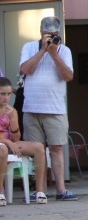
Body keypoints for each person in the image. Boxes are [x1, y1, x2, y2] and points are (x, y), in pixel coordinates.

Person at [19, 16, 77, 201]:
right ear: (40, 32)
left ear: (59, 33)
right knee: (37, 150)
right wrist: (43, 50)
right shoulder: (29, 47)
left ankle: (61, 190)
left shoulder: (64, 50)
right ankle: (40, 190)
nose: (50, 37)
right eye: (47, 34)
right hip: (32, 107)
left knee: (56, 148)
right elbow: (25, 70)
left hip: (55, 108)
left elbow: (68, 76)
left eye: (53, 34)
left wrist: (53, 53)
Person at [0, 77, 48, 206]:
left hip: (9, 143)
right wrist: (8, 142)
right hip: (2, 145)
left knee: (39, 147)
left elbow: (16, 138)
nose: (6, 98)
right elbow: (10, 142)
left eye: (9, 94)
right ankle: (0, 193)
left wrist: (13, 121)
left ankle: (39, 191)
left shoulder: (11, 111)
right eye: (2, 94)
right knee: (2, 148)